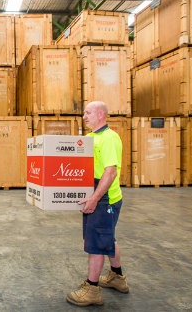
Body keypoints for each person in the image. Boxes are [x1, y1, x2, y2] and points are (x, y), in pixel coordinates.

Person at [66, 101, 129, 307]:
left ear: (101, 114)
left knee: (95, 244)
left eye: (88, 112)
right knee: (106, 236)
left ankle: (92, 289)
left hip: (104, 197)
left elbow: (110, 172)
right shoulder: (90, 138)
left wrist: (94, 199)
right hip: (92, 193)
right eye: (84, 112)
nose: (84, 116)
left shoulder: (110, 138)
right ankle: (117, 277)